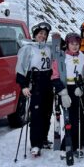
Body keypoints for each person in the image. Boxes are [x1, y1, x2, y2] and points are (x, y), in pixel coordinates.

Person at [15, 22, 53, 156]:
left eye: (44, 34)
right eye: (40, 34)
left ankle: (43, 139)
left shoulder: (49, 48)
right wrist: (23, 86)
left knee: (47, 112)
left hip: (47, 82)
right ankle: (35, 144)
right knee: (36, 114)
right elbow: (21, 69)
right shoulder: (28, 48)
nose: (42, 36)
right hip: (35, 82)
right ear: (35, 35)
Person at [51, 33, 84, 158]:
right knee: (69, 119)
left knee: (77, 119)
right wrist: (62, 92)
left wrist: (83, 88)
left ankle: (76, 145)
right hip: (66, 90)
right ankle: (65, 146)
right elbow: (55, 76)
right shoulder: (61, 57)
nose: (75, 46)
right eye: (72, 44)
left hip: (77, 89)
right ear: (67, 44)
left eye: (77, 44)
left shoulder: (83, 57)